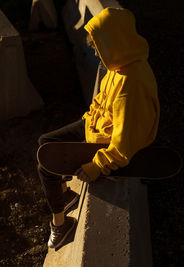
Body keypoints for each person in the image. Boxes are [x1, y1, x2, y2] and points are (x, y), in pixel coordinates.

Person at [37, 7, 160, 249]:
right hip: (95, 128)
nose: (95, 52)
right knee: (45, 141)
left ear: (113, 42)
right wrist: (88, 121)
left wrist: (96, 166)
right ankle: (65, 194)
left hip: (105, 144)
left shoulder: (130, 85)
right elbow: (100, 101)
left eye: (97, 47)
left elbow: (124, 145)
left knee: (44, 166)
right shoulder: (120, 66)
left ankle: (60, 224)